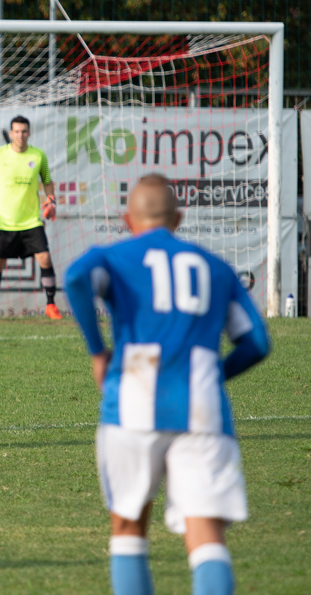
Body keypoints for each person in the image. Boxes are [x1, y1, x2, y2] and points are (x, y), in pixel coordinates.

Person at [64, 173, 270, 595]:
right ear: (179, 217)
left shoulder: (116, 257)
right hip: (202, 410)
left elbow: (75, 279)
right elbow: (258, 342)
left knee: (128, 527)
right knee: (206, 537)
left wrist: (97, 352)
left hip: (132, 402)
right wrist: (215, 377)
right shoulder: (216, 268)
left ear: (127, 218)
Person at [0, 115, 60, 320]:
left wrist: (51, 200)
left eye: (24, 131)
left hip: (31, 222)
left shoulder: (38, 156)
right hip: (3, 222)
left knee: (45, 258)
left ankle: (51, 305)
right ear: (11, 133)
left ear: (29, 133)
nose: (20, 135)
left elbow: (47, 180)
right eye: (16, 131)